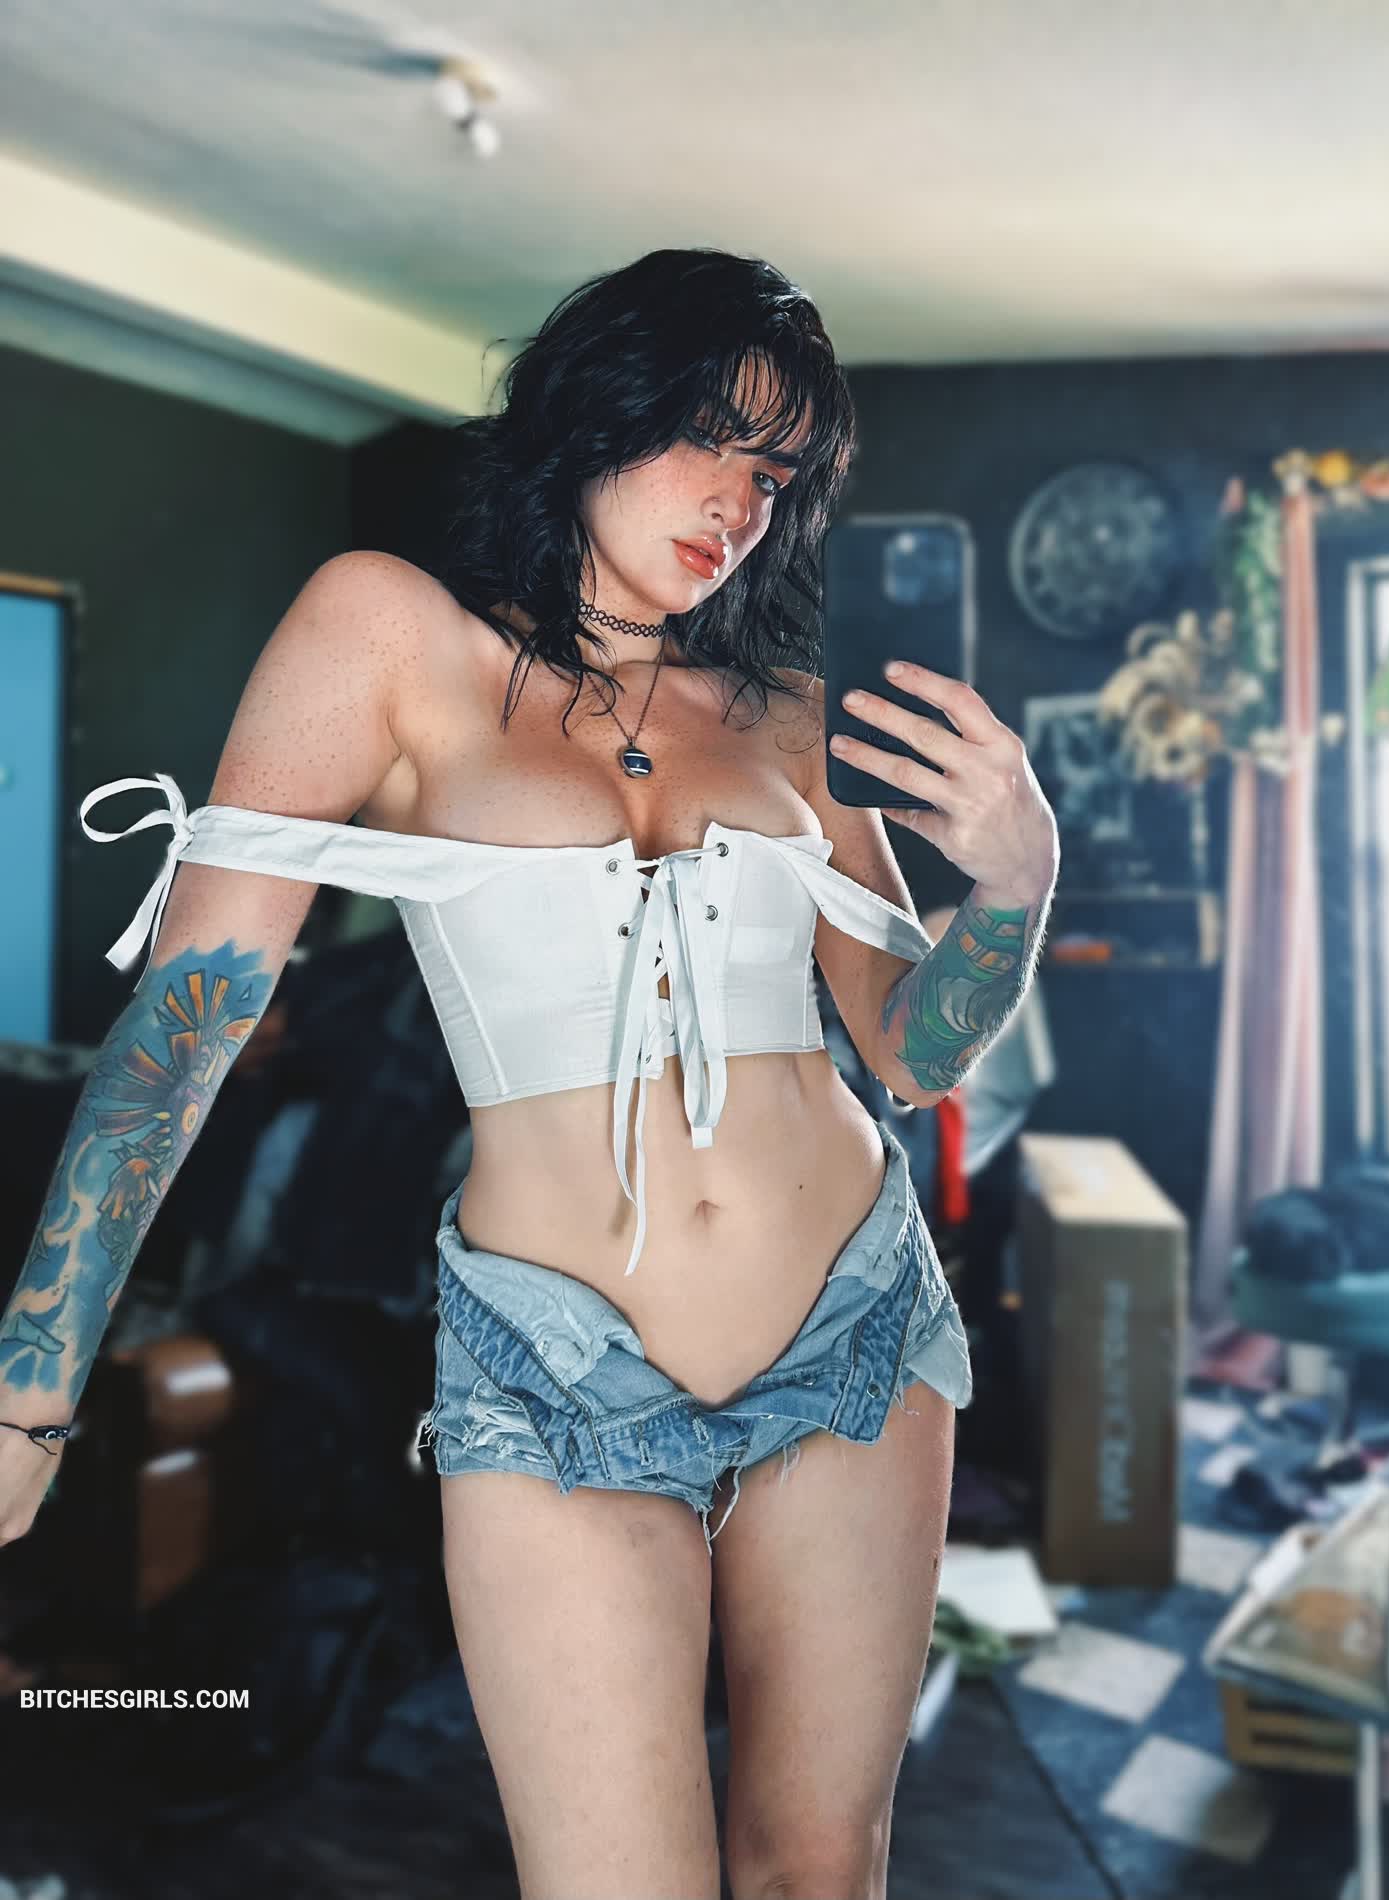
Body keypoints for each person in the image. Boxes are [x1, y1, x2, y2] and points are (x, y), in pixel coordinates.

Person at [0, 248, 1058, 1900]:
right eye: (712, 440)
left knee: (818, 1872)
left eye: (777, 476)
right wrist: (30, 1394)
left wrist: (1014, 880)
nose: (741, 505)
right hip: (556, 1376)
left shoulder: (789, 711)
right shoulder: (386, 632)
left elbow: (907, 1052)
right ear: (597, 408)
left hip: (853, 1326)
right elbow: (183, 1031)